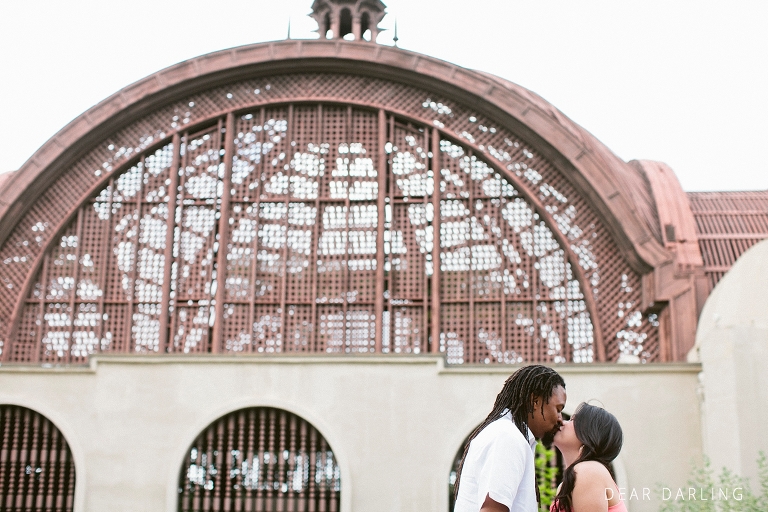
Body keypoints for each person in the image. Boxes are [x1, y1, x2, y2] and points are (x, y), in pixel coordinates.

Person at [454, 365, 567, 512]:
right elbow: (493, 509)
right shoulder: (507, 437)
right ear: (534, 401)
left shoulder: (509, 435)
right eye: (558, 409)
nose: (560, 419)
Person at [550, 403, 627, 512]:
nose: (563, 422)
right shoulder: (566, 484)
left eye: (573, 421)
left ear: (590, 435)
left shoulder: (588, 471)